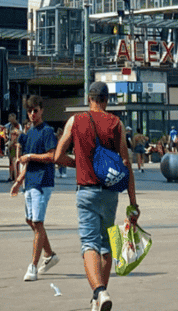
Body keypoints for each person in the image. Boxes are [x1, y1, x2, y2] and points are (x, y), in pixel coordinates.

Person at [54, 80, 139, 311]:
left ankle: (100, 291)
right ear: (106, 100)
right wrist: (133, 203)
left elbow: (57, 156)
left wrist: (78, 164)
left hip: (86, 192)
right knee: (106, 245)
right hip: (111, 193)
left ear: (89, 98)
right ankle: (97, 299)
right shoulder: (116, 123)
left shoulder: (76, 120)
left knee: (89, 243)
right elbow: (126, 164)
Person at [11, 94, 60, 281]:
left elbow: (51, 156)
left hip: (42, 182)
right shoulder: (29, 132)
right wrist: (18, 181)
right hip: (30, 181)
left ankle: (32, 265)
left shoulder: (47, 131)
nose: (32, 114)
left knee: (37, 222)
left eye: (35, 110)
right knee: (31, 221)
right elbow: (24, 160)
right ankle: (49, 254)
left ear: (41, 110)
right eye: (30, 111)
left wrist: (30, 156)